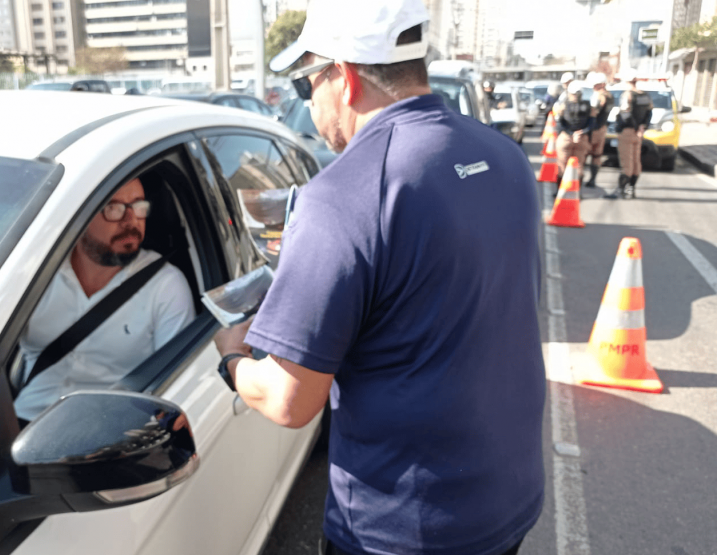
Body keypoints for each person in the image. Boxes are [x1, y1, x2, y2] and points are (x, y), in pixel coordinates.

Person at [212, 1, 546, 554]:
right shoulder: (503, 155)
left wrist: (231, 359)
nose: (309, 102)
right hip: (508, 499)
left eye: (305, 84)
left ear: (342, 77)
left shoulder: (344, 195)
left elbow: (289, 402)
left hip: (404, 529)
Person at [0, 178, 196, 421]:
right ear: (79, 216)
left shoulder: (165, 286)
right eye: (114, 208)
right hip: (21, 426)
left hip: (109, 436)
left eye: (139, 207)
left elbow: (178, 386)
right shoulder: (35, 275)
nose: (132, 220)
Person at [607, 70, 652, 199]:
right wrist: (643, 127)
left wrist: (631, 127)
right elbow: (649, 113)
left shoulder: (627, 95)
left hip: (628, 131)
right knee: (636, 162)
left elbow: (626, 115)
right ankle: (631, 189)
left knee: (627, 163)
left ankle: (620, 190)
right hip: (639, 133)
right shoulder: (645, 95)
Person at [554, 80, 593, 193]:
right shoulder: (588, 105)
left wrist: (571, 134)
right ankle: (576, 192)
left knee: (562, 164)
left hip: (567, 137)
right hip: (581, 137)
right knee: (579, 166)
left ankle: (560, 192)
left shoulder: (563, 105)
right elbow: (592, 123)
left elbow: (560, 123)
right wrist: (581, 132)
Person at [585, 72, 614, 188]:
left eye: (595, 85)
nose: (593, 87)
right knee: (597, 155)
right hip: (602, 128)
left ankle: (586, 179)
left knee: (584, 153)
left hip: (594, 129)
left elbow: (594, 112)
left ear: (601, 84)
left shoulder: (600, 96)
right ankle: (592, 179)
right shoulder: (610, 96)